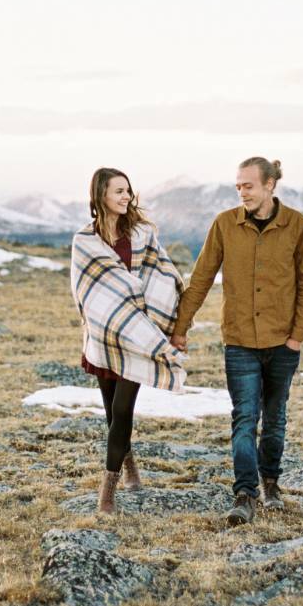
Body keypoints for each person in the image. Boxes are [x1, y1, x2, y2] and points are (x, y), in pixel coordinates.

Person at [171, 156, 303, 526]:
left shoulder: (297, 226)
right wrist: (180, 327)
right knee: (244, 419)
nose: (241, 192)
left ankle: (271, 483)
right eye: (238, 186)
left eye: (248, 185)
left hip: (283, 343)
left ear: (270, 185)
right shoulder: (224, 225)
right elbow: (201, 277)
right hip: (239, 342)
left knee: (275, 421)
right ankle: (245, 494)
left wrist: (297, 336)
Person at [71, 167, 186, 513]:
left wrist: (147, 312)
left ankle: (106, 493)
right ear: (101, 195)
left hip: (136, 335)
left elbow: (164, 275)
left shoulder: (142, 235)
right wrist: (114, 304)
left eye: (128, 191)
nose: (126, 197)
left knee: (122, 410)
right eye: (118, 191)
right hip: (103, 338)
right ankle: (129, 464)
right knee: (111, 412)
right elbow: (85, 291)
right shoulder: (84, 241)